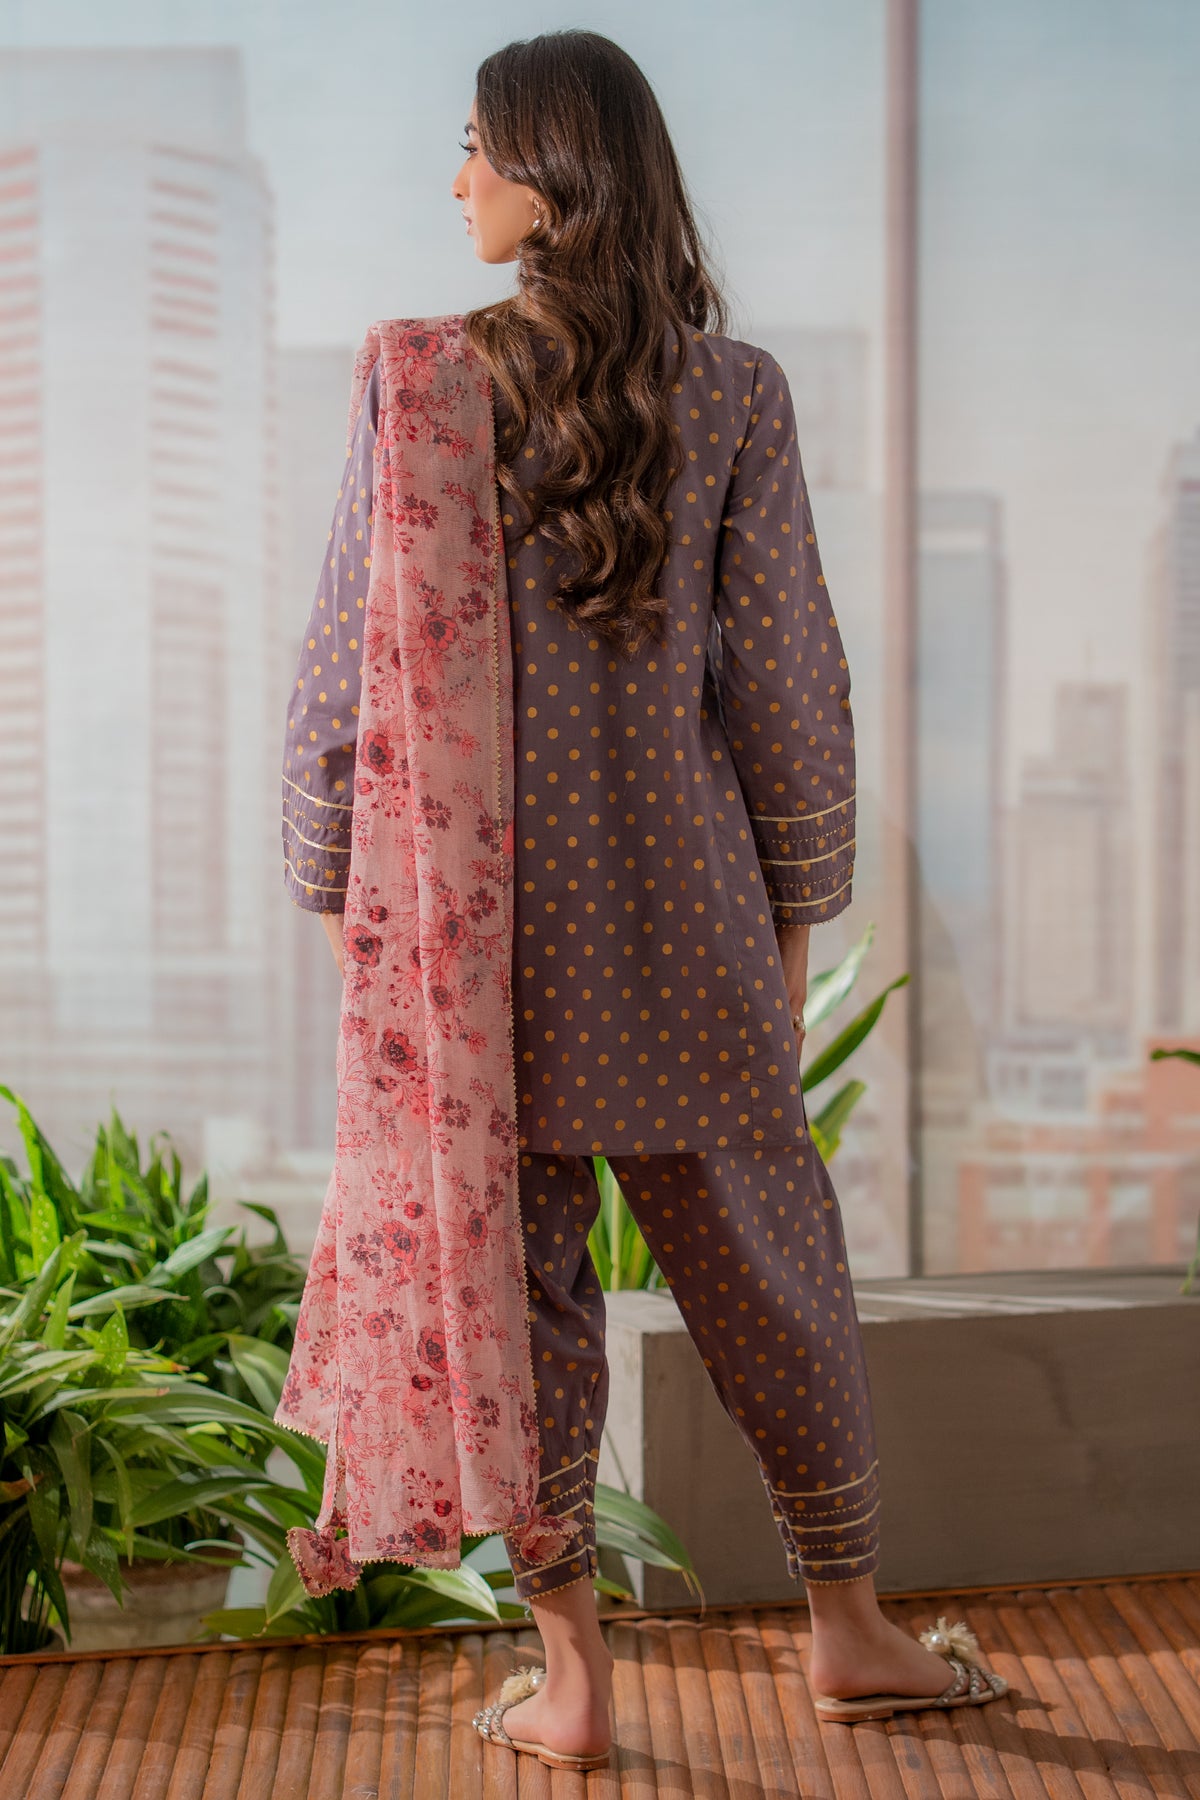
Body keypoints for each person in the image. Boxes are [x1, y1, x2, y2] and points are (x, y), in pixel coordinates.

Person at [282, 25, 1008, 1768]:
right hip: (688, 931)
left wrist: (345, 907)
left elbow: (340, 678)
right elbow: (788, 687)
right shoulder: (734, 391)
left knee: (520, 1306)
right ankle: (853, 1633)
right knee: (776, 1280)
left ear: (550, 172)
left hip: (471, 951)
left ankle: (577, 1690)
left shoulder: (417, 379)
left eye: (475, 145)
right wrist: (789, 928)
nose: (455, 179)